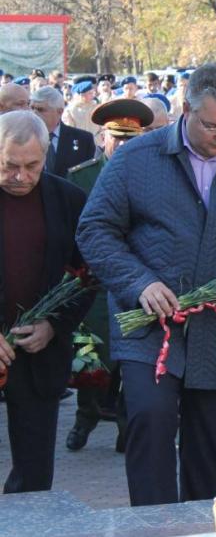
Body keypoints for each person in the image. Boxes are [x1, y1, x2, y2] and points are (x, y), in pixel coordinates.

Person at [76, 63, 216, 506]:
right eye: (212, 125)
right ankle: (152, 527)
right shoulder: (135, 159)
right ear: (185, 110)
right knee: (151, 420)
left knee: (210, 455)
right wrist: (139, 282)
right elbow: (95, 230)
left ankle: (199, 529)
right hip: (150, 330)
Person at [0, 110, 93, 492]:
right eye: (9, 166)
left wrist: (54, 324)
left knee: (34, 473)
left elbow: (88, 275)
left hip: (37, 352)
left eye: (32, 166)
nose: (20, 176)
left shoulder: (68, 199)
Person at [64, 99, 155, 453]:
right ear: (102, 139)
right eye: (117, 138)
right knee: (91, 359)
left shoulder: (151, 178)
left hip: (136, 284)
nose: (123, 146)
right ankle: (85, 417)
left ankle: (123, 426)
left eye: (132, 139)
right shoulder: (81, 178)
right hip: (92, 286)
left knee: (129, 364)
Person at [30, 86, 96, 178]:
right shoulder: (22, 137)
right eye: (32, 108)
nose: (34, 113)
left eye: (40, 110)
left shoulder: (83, 140)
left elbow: (88, 177)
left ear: (60, 111)